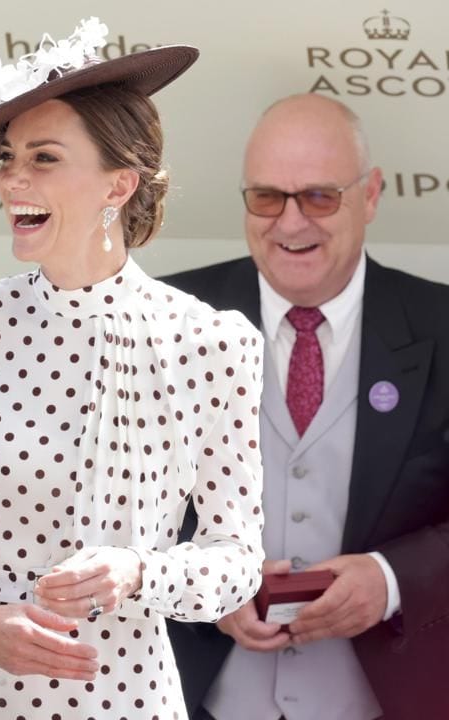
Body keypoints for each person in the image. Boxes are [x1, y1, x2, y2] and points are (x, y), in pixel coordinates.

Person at [0, 18, 266, 718]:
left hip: (130, 699)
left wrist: (140, 571)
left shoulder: (213, 342)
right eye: (8, 158)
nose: (12, 181)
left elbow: (236, 560)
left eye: (43, 158)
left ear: (118, 185)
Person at [165, 94, 449, 720]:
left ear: (370, 195)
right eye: (267, 197)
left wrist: (392, 579)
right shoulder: (166, 320)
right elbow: (99, 511)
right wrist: (200, 583)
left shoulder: (443, 326)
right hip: (193, 701)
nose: (291, 223)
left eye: (320, 197)